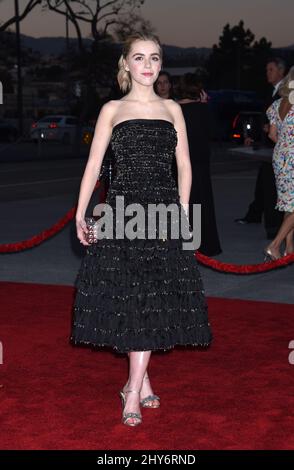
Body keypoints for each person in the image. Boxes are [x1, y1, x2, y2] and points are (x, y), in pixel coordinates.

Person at [71, 32, 212, 427]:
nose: (148, 65)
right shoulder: (112, 109)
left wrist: (182, 210)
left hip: (162, 212)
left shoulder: (172, 109)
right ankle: (141, 380)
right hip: (122, 212)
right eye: (139, 58)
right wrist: (81, 213)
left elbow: (184, 165)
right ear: (127, 64)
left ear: (161, 64)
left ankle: (131, 388)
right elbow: (94, 165)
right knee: (130, 296)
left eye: (154, 58)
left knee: (153, 295)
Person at [235, 58, 287, 238]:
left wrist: (273, 128)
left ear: (281, 71)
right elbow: (265, 118)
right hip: (269, 145)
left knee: (271, 187)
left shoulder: (285, 92)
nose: (268, 73)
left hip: (280, 148)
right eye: (267, 70)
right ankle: (255, 214)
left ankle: (273, 229)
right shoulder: (271, 92)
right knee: (262, 185)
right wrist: (256, 136)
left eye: (271, 70)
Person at [177, 73, 222, 256]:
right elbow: (215, 132)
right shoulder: (202, 110)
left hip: (178, 163)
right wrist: (205, 105)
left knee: (181, 204)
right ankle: (204, 246)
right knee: (201, 205)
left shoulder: (173, 109)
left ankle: (179, 244)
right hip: (199, 164)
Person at [264, 66, 294, 260]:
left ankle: (289, 249)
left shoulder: (279, 104)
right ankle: (275, 245)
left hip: (280, 157)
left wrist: (286, 145)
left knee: (290, 205)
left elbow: (272, 134)